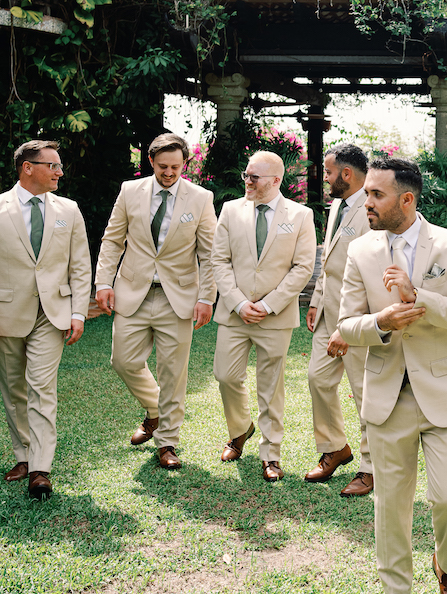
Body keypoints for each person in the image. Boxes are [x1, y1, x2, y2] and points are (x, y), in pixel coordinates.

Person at [337, 156, 447, 594]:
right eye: (367, 194)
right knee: (391, 505)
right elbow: (344, 326)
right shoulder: (360, 251)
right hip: (386, 398)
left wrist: (418, 297)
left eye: (376, 194)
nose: (366, 200)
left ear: (406, 199)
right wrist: (381, 321)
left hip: (444, 392)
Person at [95, 133, 217, 469]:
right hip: (132, 291)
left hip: (178, 296)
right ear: (150, 162)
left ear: (184, 164)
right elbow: (112, 240)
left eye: (176, 167)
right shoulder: (129, 191)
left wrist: (207, 297)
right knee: (123, 360)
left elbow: (209, 254)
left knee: (173, 374)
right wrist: (103, 282)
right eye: (163, 166)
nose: (169, 172)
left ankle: (167, 444)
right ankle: (155, 411)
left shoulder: (201, 198)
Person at [212, 150, 316, 481]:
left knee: (271, 387)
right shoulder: (230, 210)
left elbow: (303, 267)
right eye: (246, 175)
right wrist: (239, 303)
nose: (247, 181)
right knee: (225, 376)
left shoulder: (300, 215)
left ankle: (271, 454)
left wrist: (269, 304)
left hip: (275, 316)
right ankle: (241, 429)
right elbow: (220, 261)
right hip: (234, 313)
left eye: (254, 177)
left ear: (275, 180)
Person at [0, 141, 91, 501]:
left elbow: (80, 264)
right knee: (13, 389)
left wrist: (78, 311)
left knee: (42, 387)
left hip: (52, 314)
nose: (59, 172)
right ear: (27, 167)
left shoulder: (69, 209)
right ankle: (22, 455)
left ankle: (40, 469)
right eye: (52, 166)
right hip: (6, 312)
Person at [304, 143, 373, 496]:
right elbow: (330, 261)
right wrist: (316, 298)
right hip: (328, 310)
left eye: (328, 172)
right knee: (318, 378)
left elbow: (370, 273)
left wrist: (348, 326)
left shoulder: (373, 207)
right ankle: (335, 447)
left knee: (364, 392)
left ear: (346, 174)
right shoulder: (337, 204)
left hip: (356, 317)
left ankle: (370, 466)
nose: (324, 178)